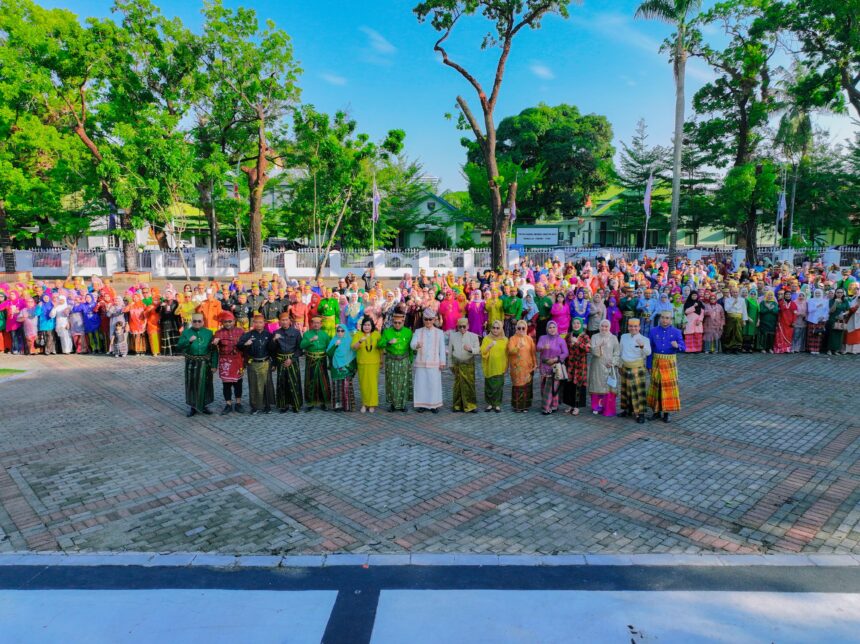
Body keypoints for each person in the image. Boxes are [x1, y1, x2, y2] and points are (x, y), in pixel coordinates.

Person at [647, 311, 685, 423]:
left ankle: (666, 413)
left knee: (668, 388)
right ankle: (656, 412)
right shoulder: (653, 331)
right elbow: (650, 350)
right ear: (660, 318)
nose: (665, 320)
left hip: (669, 362)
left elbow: (684, 347)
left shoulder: (677, 332)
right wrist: (649, 365)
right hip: (656, 361)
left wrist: (678, 346)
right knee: (656, 386)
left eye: (667, 318)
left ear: (671, 319)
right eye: (663, 318)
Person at [176, 313, 217, 417]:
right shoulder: (186, 333)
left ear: (203, 322)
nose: (197, 323)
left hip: (205, 363)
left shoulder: (209, 333)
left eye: (199, 321)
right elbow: (178, 346)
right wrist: (188, 341)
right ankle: (193, 407)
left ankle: (204, 406)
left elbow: (214, 350)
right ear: (191, 322)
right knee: (192, 384)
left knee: (206, 384)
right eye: (195, 321)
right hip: (191, 362)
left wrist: (214, 364)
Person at [410, 308, 446, 413]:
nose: (428, 321)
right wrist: (416, 345)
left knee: (434, 384)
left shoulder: (439, 332)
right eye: (426, 319)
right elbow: (412, 344)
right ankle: (422, 405)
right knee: (421, 385)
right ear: (423, 320)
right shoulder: (418, 331)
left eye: (430, 319)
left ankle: (434, 405)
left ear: (434, 320)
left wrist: (442, 362)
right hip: (421, 363)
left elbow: (442, 349)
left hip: (434, 363)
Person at [238, 314, 275, 415]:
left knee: (266, 385)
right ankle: (255, 407)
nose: (258, 324)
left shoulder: (268, 334)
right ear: (253, 323)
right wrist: (245, 344)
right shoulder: (248, 335)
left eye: (260, 322)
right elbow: (239, 345)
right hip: (253, 363)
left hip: (265, 363)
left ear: (264, 323)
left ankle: (267, 406)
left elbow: (272, 350)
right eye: (256, 322)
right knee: (254, 385)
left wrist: (274, 363)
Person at [618, 318, 652, 424]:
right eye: (631, 326)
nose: (633, 328)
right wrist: (619, 365)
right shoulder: (623, 337)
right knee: (625, 390)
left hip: (637, 368)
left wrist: (642, 345)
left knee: (638, 392)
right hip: (625, 366)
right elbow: (620, 351)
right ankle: (627, 410)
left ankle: (640, 414)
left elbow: (648, 353)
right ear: (628, 327)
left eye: (635, 326)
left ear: (639, 327)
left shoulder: (644, 339)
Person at [270, 312, 304, 413]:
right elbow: (272, 350)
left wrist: (292, 359)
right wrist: (273, 340)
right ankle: (283, 405)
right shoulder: (276, 333)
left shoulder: (296, 332)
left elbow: (300, 349)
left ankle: (295, 404)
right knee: (282, 382)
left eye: (286, 320)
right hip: (281, 361)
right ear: (279, 322)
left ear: (290, 321)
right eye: (282, 320)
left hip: (292, 360)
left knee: (294, 382)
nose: (284, 322)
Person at [213, 311, 245, 414]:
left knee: (238, 383)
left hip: (237, 360)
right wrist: (214, 343)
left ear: (234, 321)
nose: (228, 323)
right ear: (222, 322)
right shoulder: (218, 333)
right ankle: (228, 404)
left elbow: (245, 347)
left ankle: (238, 403)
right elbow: (212, 348)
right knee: (226, 384)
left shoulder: (240, 331)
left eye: (230, 321)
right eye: (225, 322)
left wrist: (246, 361)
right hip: (225, 361)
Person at [380, 312, 413, 412]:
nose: (397, 324)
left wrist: (410, 360)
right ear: (392, 322)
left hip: (404, 360)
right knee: (392, 382)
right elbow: (379, 344)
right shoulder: (387, 332)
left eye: (399, 322)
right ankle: (393, 405)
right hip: (391, 360)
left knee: (403, 382)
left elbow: (411, 348)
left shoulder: (408, 332)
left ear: (403, 322)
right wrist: (388, 342)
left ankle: (403, 405)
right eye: (395, 322)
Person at [445, 317, 480, 413]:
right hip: (457, 364)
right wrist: (450, 364)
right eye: (460, 327)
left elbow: (478, 350)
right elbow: (450, 351)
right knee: (457, 385)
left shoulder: (473, 336)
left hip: (469, 364)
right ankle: (457, 406)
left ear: (468, 326)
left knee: (469, 384)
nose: (462, 329)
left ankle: (471, 406)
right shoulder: (453, 336)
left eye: (464, 326)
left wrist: (470, 349)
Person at [588, 319, 620, 417]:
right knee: (597, 386)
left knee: (609, 387)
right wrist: (598, 347)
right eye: (602, 326)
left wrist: (613, 362)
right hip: (597, 366)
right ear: (599, 327)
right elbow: (593, 352)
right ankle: (596, 407)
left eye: (606, 326)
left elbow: (617, 352)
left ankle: (608, 408)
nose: (604, 328)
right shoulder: (594, 337)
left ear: (609, 327)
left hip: (609, 367)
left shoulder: (614, 338)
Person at [536, 320, 568, 415]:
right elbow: (537, 348)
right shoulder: (543, 338)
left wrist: (556, 359)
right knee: (544, 386)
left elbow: (566, 353)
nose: (552, 329)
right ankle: (552, 405)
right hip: (544, 365)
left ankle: (548, 407)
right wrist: (543, 348)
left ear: (556, 328)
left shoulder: (561, 340)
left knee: (553, 387)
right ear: (547, 329)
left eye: (554, 327)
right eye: (550, 327)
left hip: (555, 366)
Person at [300, 316, 331, 411]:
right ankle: (310, 403)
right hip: (311, 360)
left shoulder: (325, 335)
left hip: (322, 360)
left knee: (323, 380)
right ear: (311, 324)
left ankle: (323, 402)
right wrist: (311, 340)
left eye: (318, 323)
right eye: (314, 323)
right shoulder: (307, 334)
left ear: (321, 324)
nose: (316, 324)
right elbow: (301, 345)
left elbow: (329, 348)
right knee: (310, 380)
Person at [352, 316, 382, 413]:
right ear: (362, 326)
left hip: (374, 363)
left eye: (369, 325)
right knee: (364, 384)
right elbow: (354, 347)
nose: (367, 327)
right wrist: (360, 341)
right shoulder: (358, 334)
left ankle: (372, 404)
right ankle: (364, 404)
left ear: (372, 325)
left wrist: (382, 361)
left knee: (373, 384)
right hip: (362, 363)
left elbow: (381, 349)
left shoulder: (376, 334)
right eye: (365, 325)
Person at [562, 317, 590, 415]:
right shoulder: (568, 335)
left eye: (578, 323)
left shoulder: (585, 336)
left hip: (580, 365)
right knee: (569, 385)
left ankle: (577, 406)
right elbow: (564, 347)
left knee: (578, 385)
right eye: (574, 323)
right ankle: (570, 405)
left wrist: (577, 343)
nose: (576, 325)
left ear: (581, 324)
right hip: (569, 364)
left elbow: (588, 349)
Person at [508, 320, 537, 412]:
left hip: (527, 368)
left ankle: (525, 406)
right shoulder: (512, 339)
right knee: (517, 386)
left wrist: (535, 363)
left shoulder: (529, 339)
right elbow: (510, 351)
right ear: (516, 328)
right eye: (519, 328)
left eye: (523, 328)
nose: (521, 330)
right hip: (517, 368)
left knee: (527, 387)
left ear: (526, 328)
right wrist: (518, 347)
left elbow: (533, 353)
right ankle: (517, 406)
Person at [327, 324, 357, 411]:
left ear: (345, 331)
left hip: (346, 368)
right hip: (335, 368)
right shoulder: (333, 341)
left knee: (347, 387)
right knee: (337, 387)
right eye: (338, 331)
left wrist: (352, 368)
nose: (340, 333)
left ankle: (347, 406)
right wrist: (335, 345)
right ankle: (337, 406)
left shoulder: (350, 341)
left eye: (342, 331)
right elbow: (329, 354)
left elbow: (353, 356)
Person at [480, 320, 507, 412]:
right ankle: (489, 404)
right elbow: (483, 352)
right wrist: (489, 346)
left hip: (500, 366)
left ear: (501, 329)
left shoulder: (505, 340)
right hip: (490, 366)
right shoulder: (487, 339)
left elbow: (508, 353)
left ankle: (497, 404)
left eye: (497, 328)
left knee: (499, 386)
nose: (495, 330)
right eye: (493, 328)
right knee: (489, 386)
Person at [721, 286, 747, 354]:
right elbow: (726, 309)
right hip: (730, 318)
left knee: (738, 333)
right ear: (731, 293)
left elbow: (744, 310)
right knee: (729, 332)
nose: (735, 293)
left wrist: (744, 320)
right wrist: (733, 304)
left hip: (738, 318)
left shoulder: (742, 300)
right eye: (734, 292)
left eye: (736, 292)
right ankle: (728, 347)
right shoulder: (727, 300)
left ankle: (737, 348)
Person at [826, 289, 850, 355]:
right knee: (832, 334)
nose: (839, 294)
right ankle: (829, 350)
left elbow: (848, 310)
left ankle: (836, 350)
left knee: (839, 335)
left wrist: (843, 314)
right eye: (838, 292)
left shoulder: (845, 301)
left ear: (843, 293)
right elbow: (831, 311)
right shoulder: (832, 300)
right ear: (835, 293)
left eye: (841, 292)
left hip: (841, 320)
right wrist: (835, 303)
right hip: (833, 319)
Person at [805, 289, 829, 355]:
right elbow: (809, 310)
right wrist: (817, 306)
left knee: (819, 334)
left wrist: (823, 316)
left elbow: (826, 310)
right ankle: (811, 349)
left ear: (821, 294)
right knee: (811, 334)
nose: (818, 294)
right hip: (812, 319)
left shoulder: (825, 301)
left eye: (819, 293)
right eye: (816, 293)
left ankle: (817, 348)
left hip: (821, 320)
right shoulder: (810, 300)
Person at [774, 289, 797, 354]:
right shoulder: (780, 302)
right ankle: (780, 349)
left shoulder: (793, 304)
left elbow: (795, 314)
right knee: (780, 336)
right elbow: (778, 312)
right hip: (781, 322)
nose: (788, 295)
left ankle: (787, 349)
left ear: (791, 296)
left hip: (790, 323)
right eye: (786, 294)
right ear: (784, 295)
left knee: (788, 336)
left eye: (789, 294)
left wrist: (793, 322)